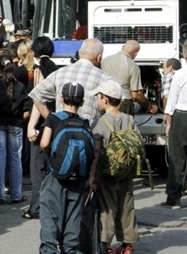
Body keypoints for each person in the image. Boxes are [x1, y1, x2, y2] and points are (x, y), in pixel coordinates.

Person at [38, 82, 96, 254]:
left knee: (50, 213)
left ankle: (49, 249)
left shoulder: (54, 118)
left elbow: (44, 143)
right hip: (79, 176)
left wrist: (51, 157)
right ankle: (70, 249)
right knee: (73, 215)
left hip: (56, 174)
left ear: (61, 99)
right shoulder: (85, 122)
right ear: (82, 102)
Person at [89, 80, 139, 254]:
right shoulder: (130, 119)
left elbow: (96, 151)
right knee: (126, 206)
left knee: (107, 208)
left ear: (105, 99)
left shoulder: (99, 123)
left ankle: (107, 246)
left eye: (98, 96)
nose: (96, 99)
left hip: (107, 172)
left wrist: (92, 177)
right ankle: (128, 245)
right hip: (126, 172)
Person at [0, 53, 30, 203]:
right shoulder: (20, 86)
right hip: (15, 124)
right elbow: (26, 111)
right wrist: (19, 120)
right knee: (15, 158)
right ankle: (16, 194)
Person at [29, 38, 113, 125]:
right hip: (89, 130)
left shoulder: (59, 73)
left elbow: (36, 96)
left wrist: (52, 122)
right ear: (99, 57)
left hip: (62, 129)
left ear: (79, 52)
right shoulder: (104, 77)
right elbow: (118, 101)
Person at [24, 36, 59, 219]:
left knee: (37, 169)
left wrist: (31, 125)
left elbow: (38, 100)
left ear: (34, 52)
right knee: (52, 167)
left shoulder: (38, 72)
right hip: (55, 122)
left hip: (41, 125)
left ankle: (36, 207)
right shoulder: (57, 70)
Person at [101, 40, 159, 116]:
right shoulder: (132, 65)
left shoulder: (104, 61)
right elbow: (136, 94)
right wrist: (150, 107)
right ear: (135, 54)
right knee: (125, 127)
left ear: (122, 47)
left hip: (105, 101)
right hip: (124, 103)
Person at [163, 42, 187, 210]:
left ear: (185, 56)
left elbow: (172, 100)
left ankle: (174, 198)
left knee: (177, 157)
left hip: (182, 116)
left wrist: (168, 122)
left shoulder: (180, 74)